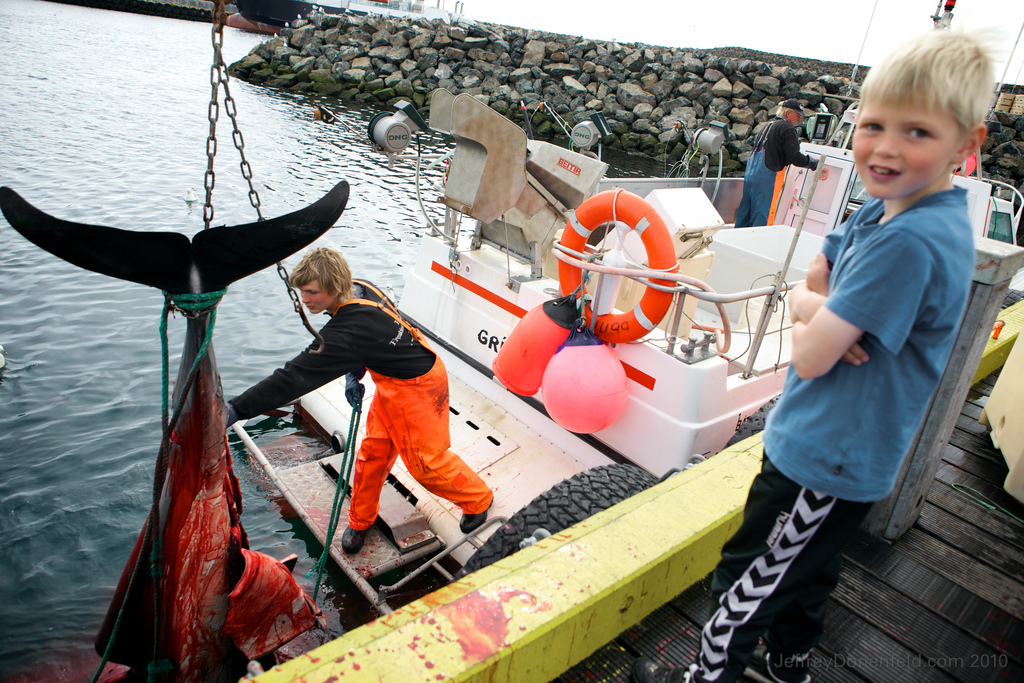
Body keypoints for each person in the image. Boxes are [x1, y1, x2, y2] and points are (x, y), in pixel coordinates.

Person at [633, 28, 992, 683]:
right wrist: (812, 311)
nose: (884, 147)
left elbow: (810, 357)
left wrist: (811, 318)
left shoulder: (906, 241)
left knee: (745, 578)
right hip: (829, 446)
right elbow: (813, 290)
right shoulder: (878, 210)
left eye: (917, 132)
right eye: (874, 124)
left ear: (967, 146)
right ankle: (790, 662)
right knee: (806, 568)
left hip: (824, 457)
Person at [228, 247, 494, 554]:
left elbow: (293, 377)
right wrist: (354, 373)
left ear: (334, 288)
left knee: (425, 465)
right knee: (371, 457)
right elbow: (370, 339)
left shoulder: (346, 330)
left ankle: (477, 500)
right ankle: (360, 520)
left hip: (419, 387)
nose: (306, 299)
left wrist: (237, 408)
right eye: (302, 292)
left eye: (312, 292)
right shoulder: (360, 287)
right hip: (391, 381)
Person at [734, 98, 819, 228]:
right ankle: (757, 246)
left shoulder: (768, 125)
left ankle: (736, 242)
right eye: (798, 115)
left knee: (745, 214)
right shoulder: (788, 129)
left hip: (751, 175)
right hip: (768, 177)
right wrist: (812, 163)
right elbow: (794, 157)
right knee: (764, 216)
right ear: (788, 113)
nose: (799, 119)